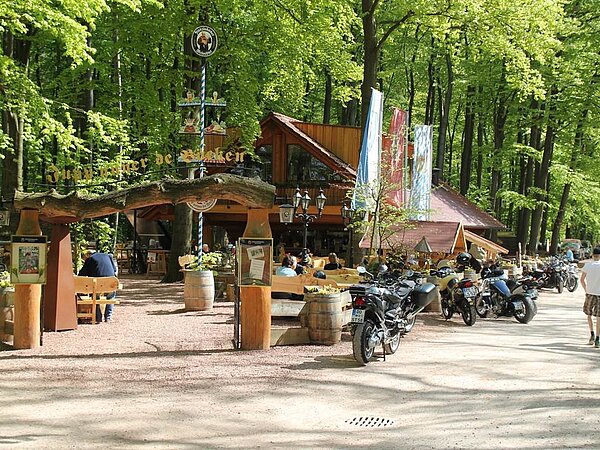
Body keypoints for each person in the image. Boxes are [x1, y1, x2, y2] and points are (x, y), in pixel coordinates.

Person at [78, 250, 118, 323]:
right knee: (110, 297)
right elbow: (114, 270)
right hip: (111, 283)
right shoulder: (108, 256)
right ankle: (108, 317)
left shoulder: (90, 259)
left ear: (89, 254)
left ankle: (98, 317)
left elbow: (82, 274)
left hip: (97, 284)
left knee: (95, 297)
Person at [580, 247, 600, 347]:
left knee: (589, 314)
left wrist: (586, 289)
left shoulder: (588, 265)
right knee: (599, 317)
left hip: (590, 293)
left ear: (592, 255)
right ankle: (598, 339)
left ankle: (592, 334)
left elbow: (582, 280)